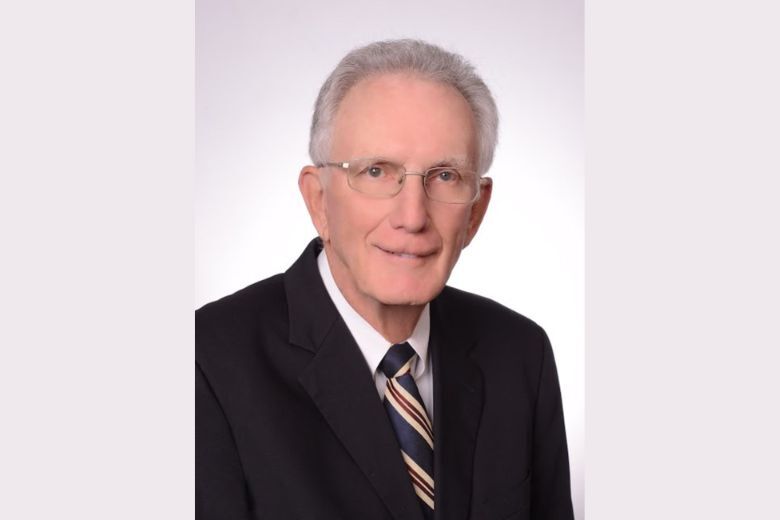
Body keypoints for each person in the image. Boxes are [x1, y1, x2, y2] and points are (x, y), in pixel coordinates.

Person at [196, 39, 574, 520]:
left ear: (475, 212)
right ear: (318, 200)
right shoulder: (207, 361)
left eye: (445, 176)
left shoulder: (520, 353)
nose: (412, 217)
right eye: (376, 172)